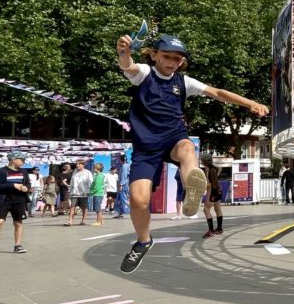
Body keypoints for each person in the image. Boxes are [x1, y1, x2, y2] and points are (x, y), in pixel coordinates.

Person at [116, 33, 267, 273]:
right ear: (154, 55)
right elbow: (128, 66)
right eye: (166, 57)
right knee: (138, 200)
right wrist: (124, 52)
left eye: (177, 59)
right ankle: (143, 241)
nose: (172, 62)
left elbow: (217, 92)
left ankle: (191, 193)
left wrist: (250, 103)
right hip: (146, 148)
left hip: (173, 138)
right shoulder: (144, 74)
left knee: (187, 147)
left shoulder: (183, 82)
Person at [0, 150, 33, 257]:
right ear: (13, 160)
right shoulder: (1, 171)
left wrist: (25, 188)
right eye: (22, 159)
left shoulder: (24, 171)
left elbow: (28, 184)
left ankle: (17, 245)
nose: (24, 161)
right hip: (4, 200)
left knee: (18, 223)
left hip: (19, 200)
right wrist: (12, 185)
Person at [202, 158, 224, 238]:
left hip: (212, 192)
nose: (201, 161)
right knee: (218, 209)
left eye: (202, 160)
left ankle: (210, 231)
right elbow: (217, 175)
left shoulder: (210, 171)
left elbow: (211, 184)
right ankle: (219, 228)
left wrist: (204, 185)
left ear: (205, 162)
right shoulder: (214, 169)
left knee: (206, 209)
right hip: (218, 191)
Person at [90, 162, 106, 227]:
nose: (94, 169)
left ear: (98, 169)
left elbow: (97, 187)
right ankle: (101, 220)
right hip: (99, 193)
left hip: (97, 194)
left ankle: (98, 221)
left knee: (97, 209)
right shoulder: (98, 175)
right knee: (98, 207)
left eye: (95, 168)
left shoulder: (99, 176)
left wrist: (90, 193)